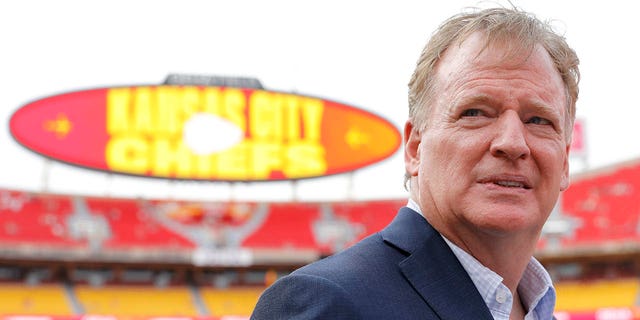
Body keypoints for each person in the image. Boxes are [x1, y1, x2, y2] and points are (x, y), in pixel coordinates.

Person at [251, 5, 579, 320]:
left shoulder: (537, 308)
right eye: (475, 113)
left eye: (538, 120)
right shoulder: (323, 303)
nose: (512, 143)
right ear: (415, 147)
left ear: (564, 162)